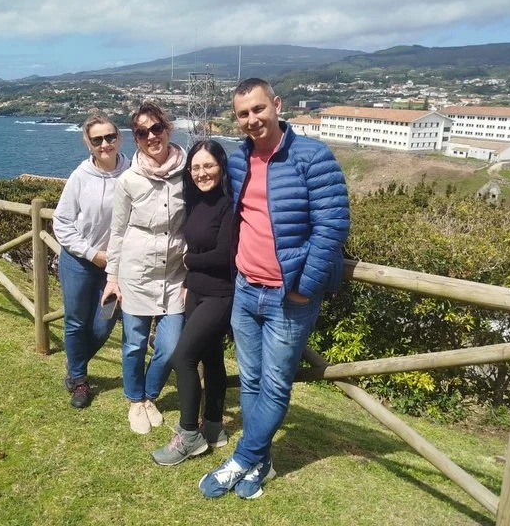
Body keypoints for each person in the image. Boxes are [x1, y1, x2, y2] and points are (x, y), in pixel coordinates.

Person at [198, 78, 350, 499]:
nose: (252, 119)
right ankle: (260, 461)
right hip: (246, 289)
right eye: (243, 114)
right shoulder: (238, 161)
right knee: (250, 380)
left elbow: (332, 226)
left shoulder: (313, 157)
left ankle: (241, 459)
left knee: (275, 384)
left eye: (258, 109)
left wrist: (304, 287)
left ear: (277, 105)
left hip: (289, 296)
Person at [102, 101, 187, 434]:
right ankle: (136, 400)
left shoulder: (188, 173)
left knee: (170, 345)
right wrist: (112, 277)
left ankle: (150, 394)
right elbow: (117, 231)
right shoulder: (128, 180)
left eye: (156, 128)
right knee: (135, 343)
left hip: (175, 274)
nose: (151, 136)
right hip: (135, 273)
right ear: (136, 139)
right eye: (142, 132)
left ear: (167, 128)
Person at [151, 140, 233, 465]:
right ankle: (213, 426)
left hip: (220, 295)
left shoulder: (229, 205)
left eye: (208, 165)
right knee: (212, 359)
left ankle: (189, 435)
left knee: (182, 357)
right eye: (196, 167)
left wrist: (188, 261)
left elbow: (225, 255)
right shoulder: (196, 201)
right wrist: (188, 279)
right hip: (196, 292)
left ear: (221, 167)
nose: (202, 173)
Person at [53, 112, 130, 409]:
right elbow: (62, 222)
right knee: (75, 321)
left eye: (110, 137)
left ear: (119, 137)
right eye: (97, 140)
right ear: (88, 143)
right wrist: (91, 253)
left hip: (114, 266)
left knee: (103, 324)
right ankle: (80, 380)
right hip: (79, 261)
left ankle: (74, 367)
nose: (105, 144)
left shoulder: (133, 171)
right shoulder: (80, 176)